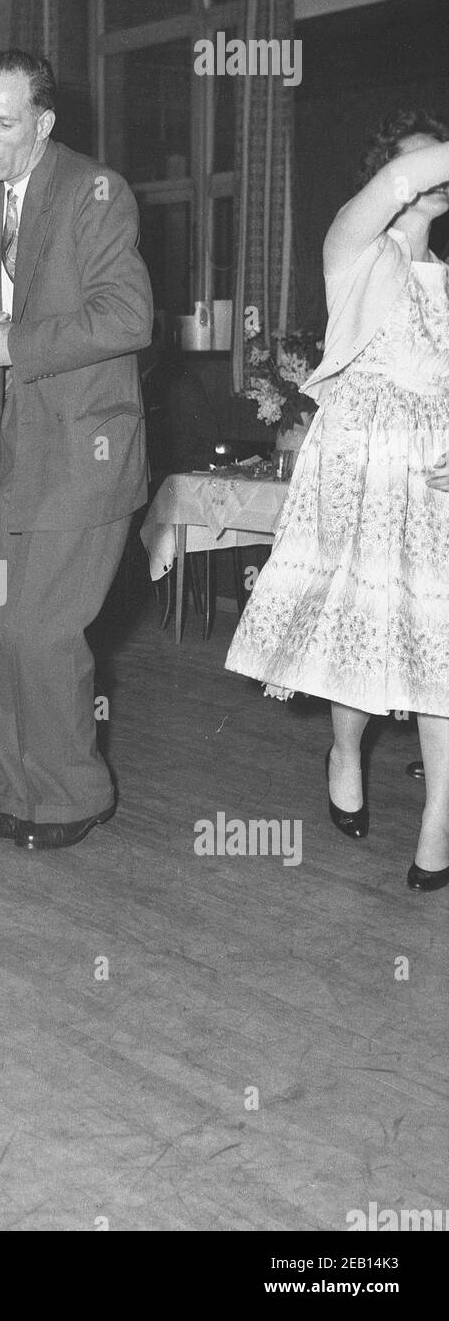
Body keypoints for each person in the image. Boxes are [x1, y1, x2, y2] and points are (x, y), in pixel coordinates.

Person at [225, 110, 449, 893]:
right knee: (364, 636)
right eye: (421, 163)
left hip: (434, 479)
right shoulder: (355, 248)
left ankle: (437, 824)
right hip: (360, 474)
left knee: (440, 646)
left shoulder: (446, 278)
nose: (433, 176)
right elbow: (397, 183)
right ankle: (346, 750)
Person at [0, 49, 153, 851]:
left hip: (84, 450)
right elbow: (0, 296)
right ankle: (23, 789)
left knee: (43, 630)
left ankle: (78, 794)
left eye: (4, 123)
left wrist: (12, 347)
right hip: (11, 449)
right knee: (0, 627)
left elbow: (127, 318)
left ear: (43, 122)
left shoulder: (94, 191)